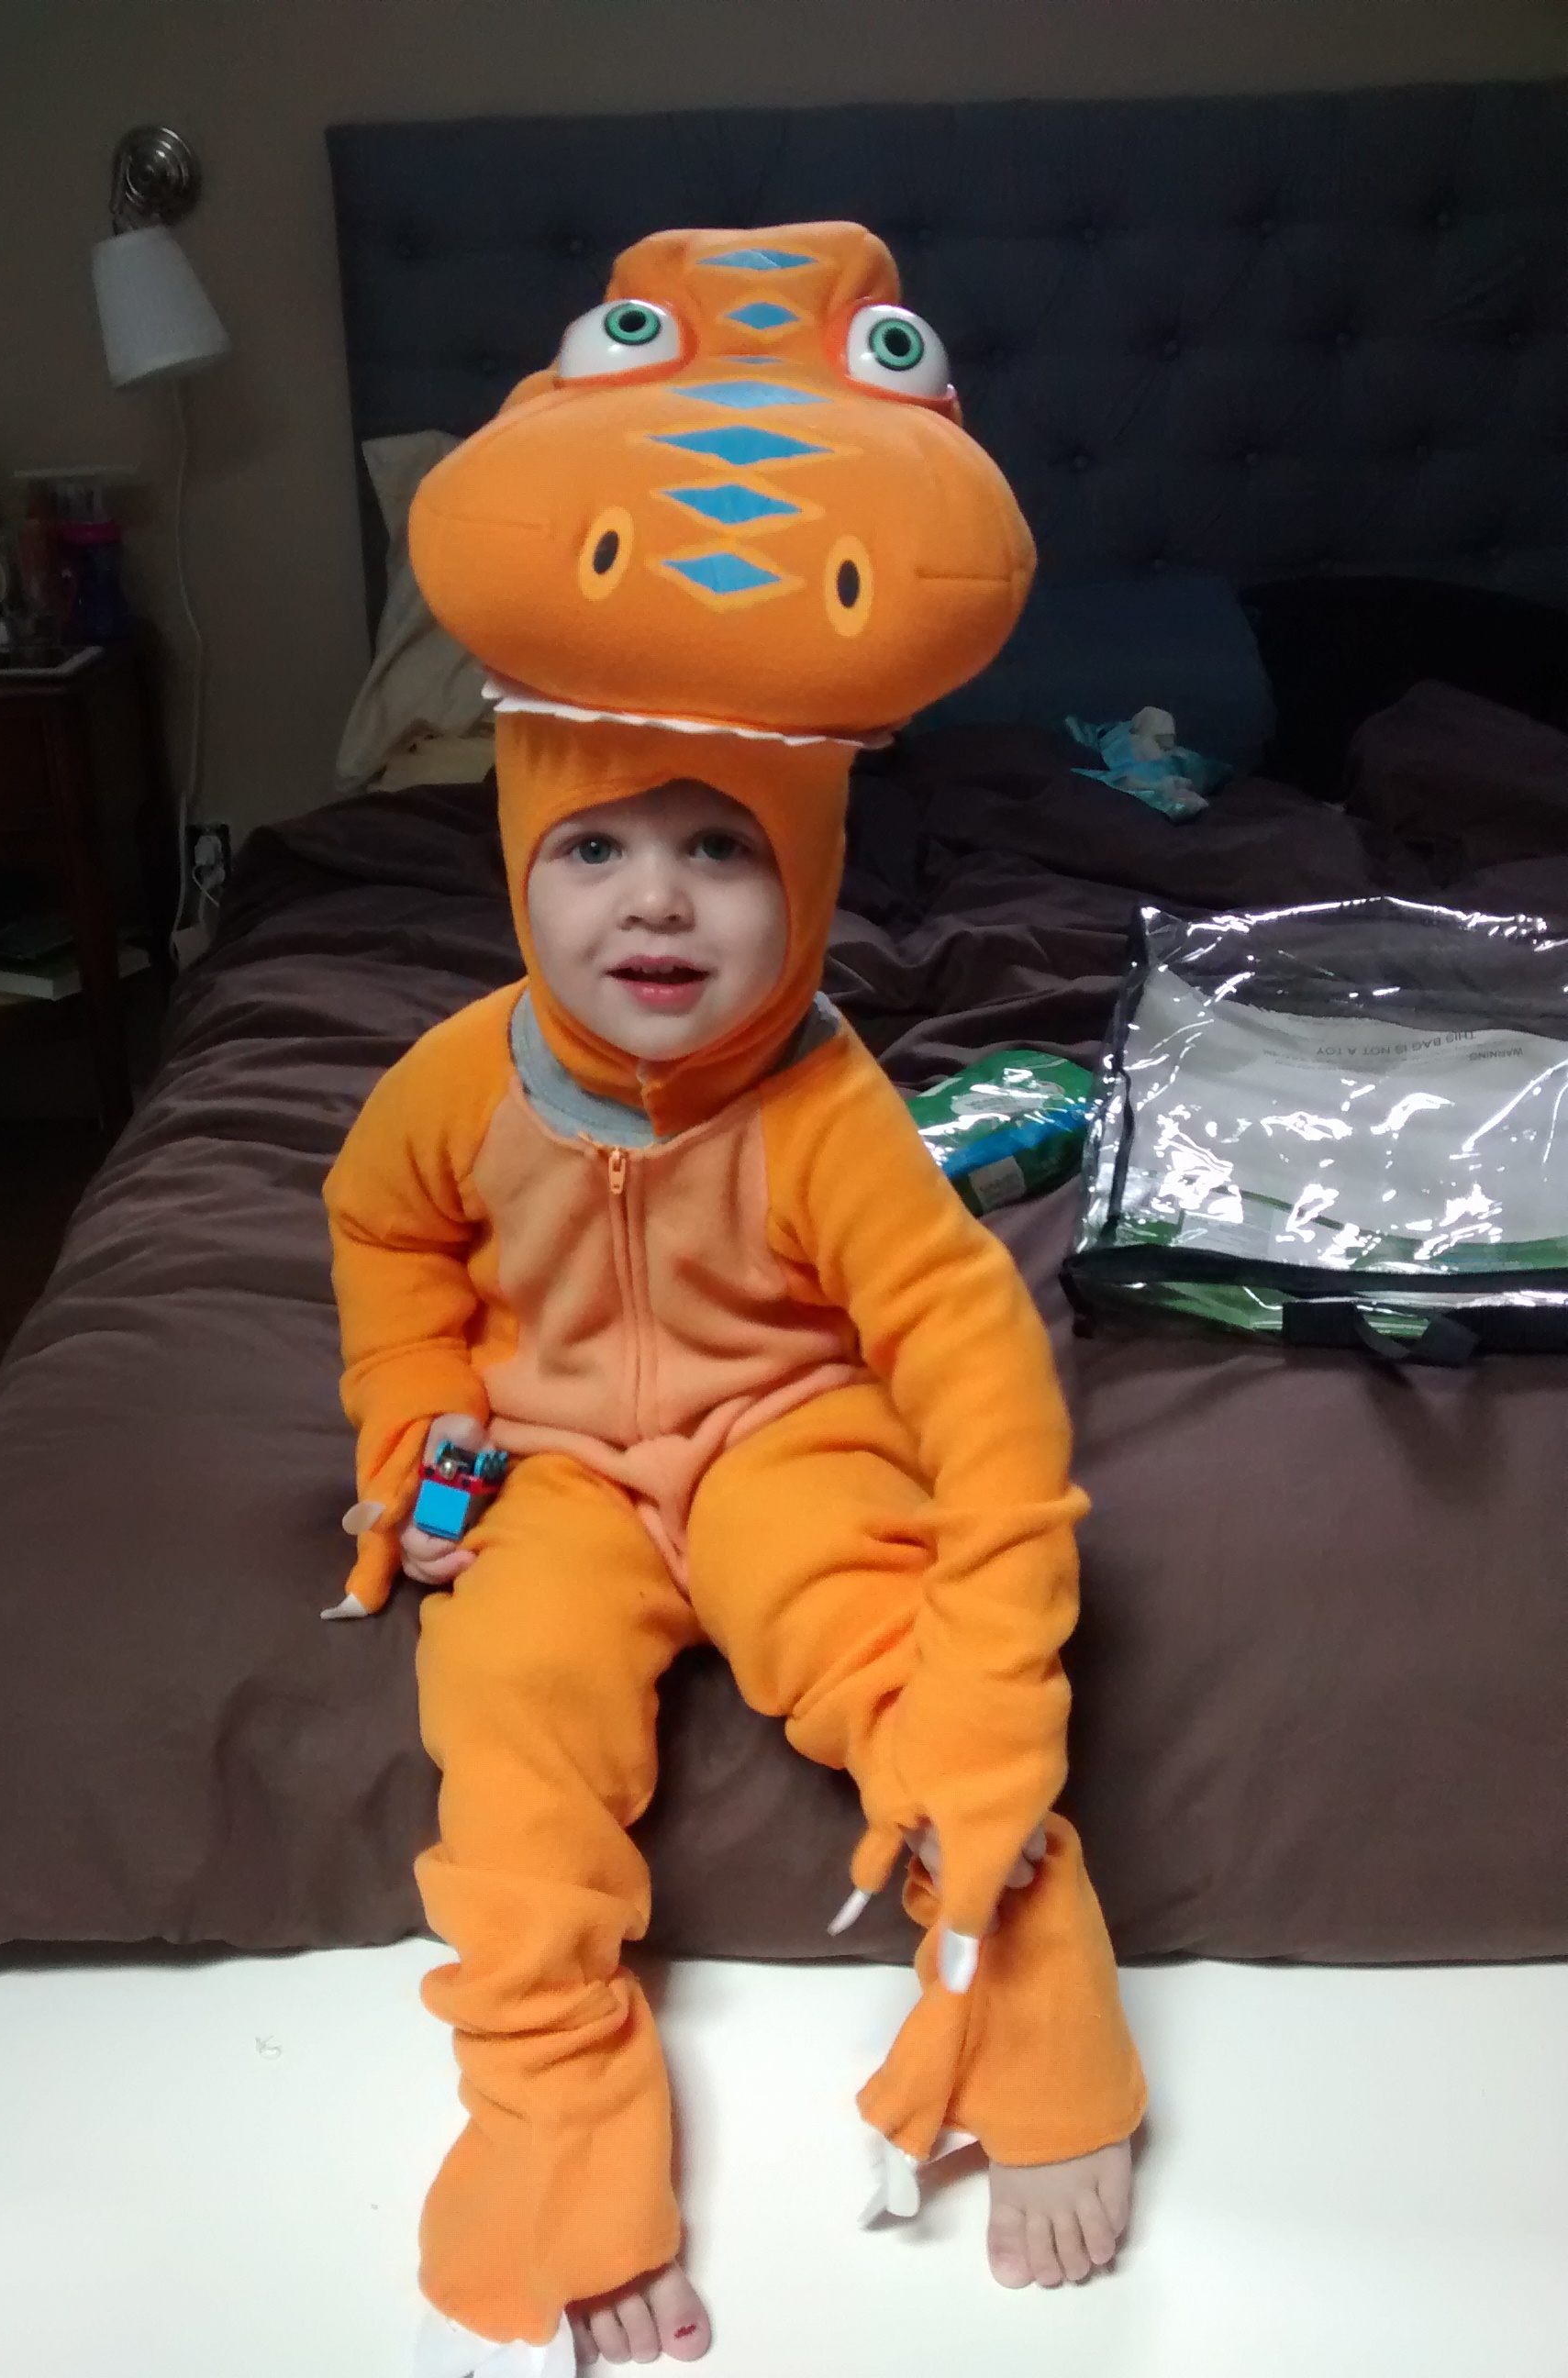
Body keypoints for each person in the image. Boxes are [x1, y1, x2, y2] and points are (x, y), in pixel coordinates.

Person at [322, 220, 1146, 2378]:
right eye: (597, 852)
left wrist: (997, 1629)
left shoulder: (831, 1106)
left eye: (722, 851)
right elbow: (384, 1243)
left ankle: (1040, 2019)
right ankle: (558, 2122)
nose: (657, 903)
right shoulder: (453, 1081)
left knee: (914, 1679)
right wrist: (417, 1419)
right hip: (550, 1464)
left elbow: (970, 1356)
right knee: (512, 1740)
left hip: (788, 1432)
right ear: (520, 863)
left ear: (810, 876)